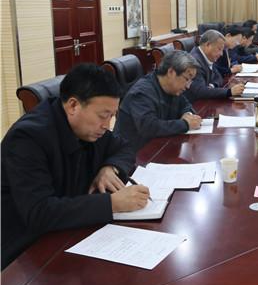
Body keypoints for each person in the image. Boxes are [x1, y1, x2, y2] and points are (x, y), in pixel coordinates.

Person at [1, 64, 149, 269]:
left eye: (112, 116)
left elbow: (124, 147)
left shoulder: (89, 128)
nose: (107, 125)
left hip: (74, 233)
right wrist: (112, 203)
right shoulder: (27, 138)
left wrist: (110, 167)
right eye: (103, 115)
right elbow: (39, 213)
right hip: (26, 253)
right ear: (73, 106)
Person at [114, 50, 203, 153]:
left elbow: (186, 105)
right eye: (187, 79)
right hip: (132, 154)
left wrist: (187, 114)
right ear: (171, 72)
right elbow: (149, 127)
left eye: (190, 81)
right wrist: (185, 124)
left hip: (159, 147)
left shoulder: (173, 88)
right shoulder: (142, 93)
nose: (188, 86)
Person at [185, 29, 245, 101]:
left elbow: (219, 77)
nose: (221, 54)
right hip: (195, 104)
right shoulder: (194, 61)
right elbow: (200, 91)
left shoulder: (208, 56)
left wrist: (212, 85)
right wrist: (230, 92)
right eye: (219, 49)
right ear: (208, 45)